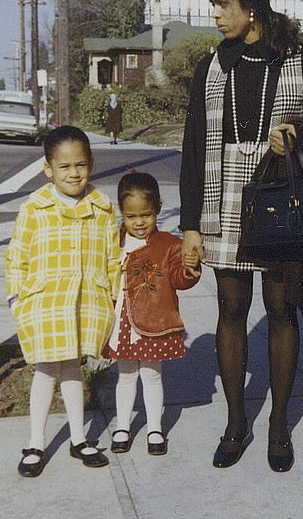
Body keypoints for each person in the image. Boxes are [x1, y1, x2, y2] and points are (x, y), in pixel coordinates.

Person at [179, 0, 303, 473]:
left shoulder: (297, 59)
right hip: (223, 197)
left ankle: (277, 426)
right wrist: (189, 226)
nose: (216, 15)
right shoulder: (212, 65)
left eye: (222, 4)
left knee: (279, 311)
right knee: (230, 309)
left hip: (278, 197)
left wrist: (292, 132)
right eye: (214, 5)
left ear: (251, 6)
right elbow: (193, 146)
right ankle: (235, 422)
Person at [5, 125, 120, 477]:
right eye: (65, 166)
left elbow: (112, 257)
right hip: (45, 303)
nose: (74, 173)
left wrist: (113, 297)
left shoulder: (102, 208)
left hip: (85, 301)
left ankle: (78, 437)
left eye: (81, 165)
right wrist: (16, 297)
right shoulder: (35, 208)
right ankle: (35, 442)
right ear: (48, 168)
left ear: (91, 164)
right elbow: (17, 256)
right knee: (45, 370)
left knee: (73, 368)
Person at [103, 171, 200, 455]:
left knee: (152, 375)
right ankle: (122, 426)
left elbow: (180, 280)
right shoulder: (114, 241)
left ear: (157, 209)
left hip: (154, 321)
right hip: (121, 321)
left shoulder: (169, 244)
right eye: (132, 217)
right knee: (126, 375)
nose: (140, 222)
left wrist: (190, 267)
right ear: (122, 213)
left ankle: (155, 428)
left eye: (146, 215)